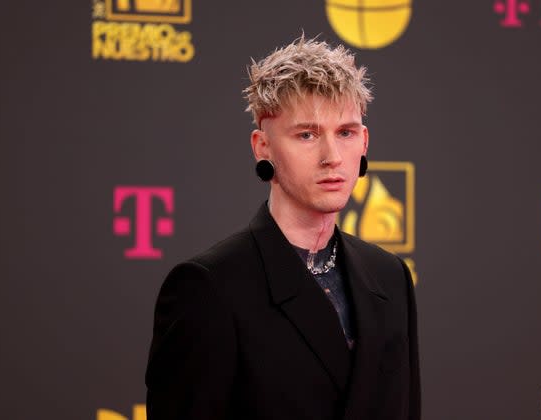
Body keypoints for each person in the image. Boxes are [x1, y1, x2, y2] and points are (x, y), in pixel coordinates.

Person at [145, 36, 421, 420]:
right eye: (307, 135)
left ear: (364, 142)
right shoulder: (209, 287)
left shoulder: (390, 276)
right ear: (263, 147)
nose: (331, 157)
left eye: (345, 133)